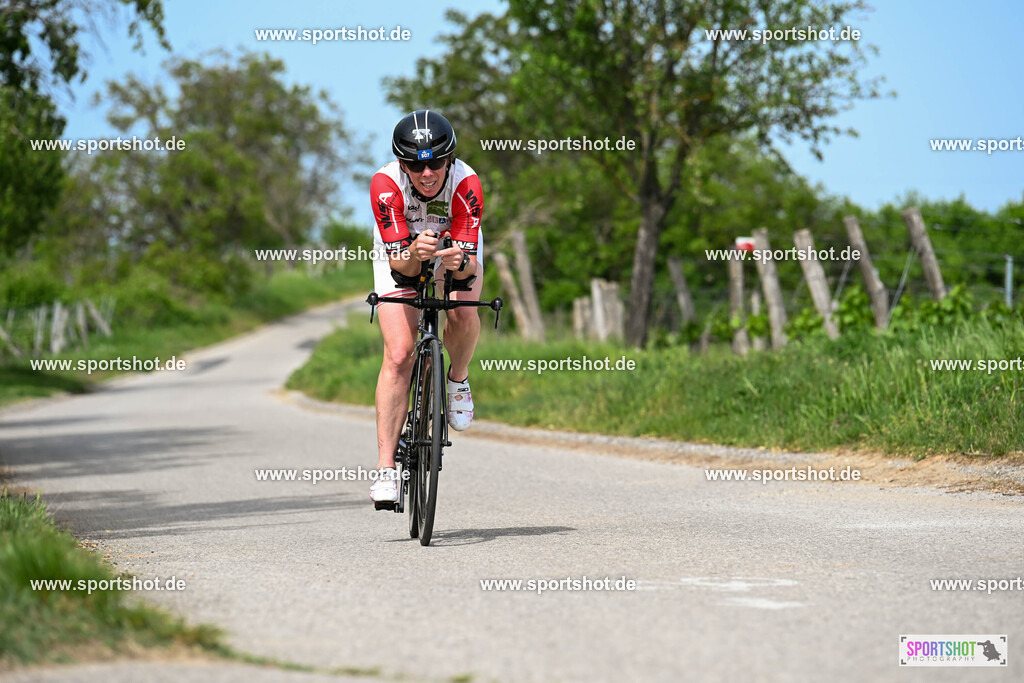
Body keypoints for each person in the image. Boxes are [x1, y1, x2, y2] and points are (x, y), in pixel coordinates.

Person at [368, 110, 484, 504]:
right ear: (402, 164)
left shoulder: (466, 183)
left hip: (453, 245)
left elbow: (468, 268)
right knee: (399, 353)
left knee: (465, 312)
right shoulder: (386, 185)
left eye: (436, 162)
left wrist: (457, 261)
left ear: (449, 159)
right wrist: (414, 255)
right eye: (416, 166)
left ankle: (457, 379)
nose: (428, 173)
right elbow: (400, 266)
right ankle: (386, 468)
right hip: (402, 251)